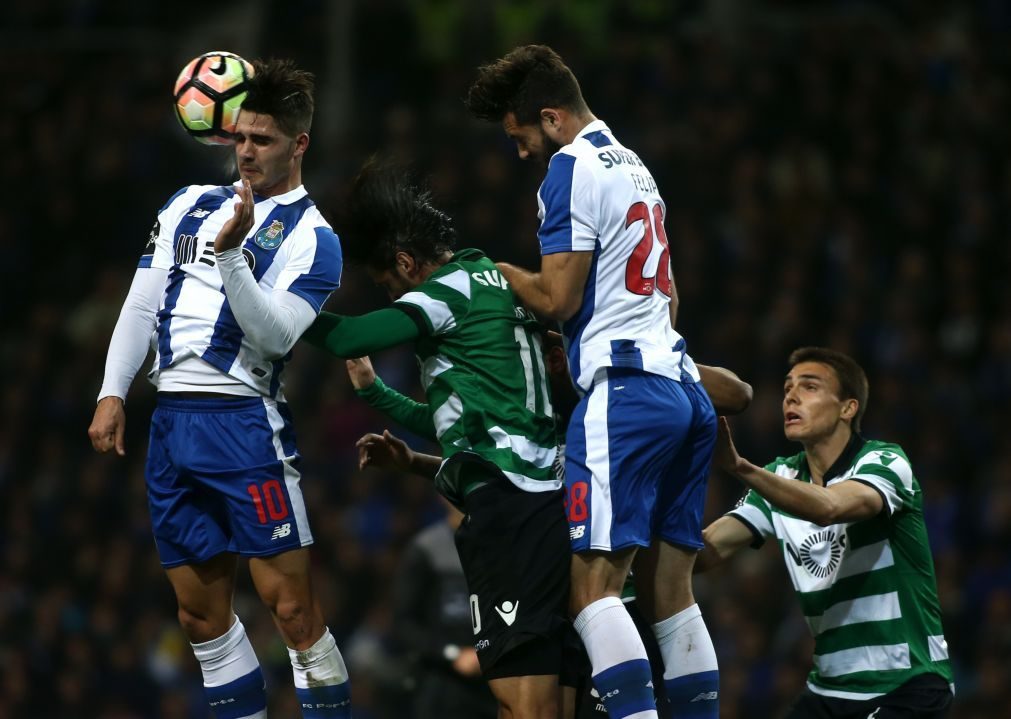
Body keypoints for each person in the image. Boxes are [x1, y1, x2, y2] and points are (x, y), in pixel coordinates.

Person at [87, 59, 352, 718]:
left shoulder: (315, 239)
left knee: (291, 610)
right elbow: (142, 302)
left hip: (244, 426)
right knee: (200, 616)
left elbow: (274, 337)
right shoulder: (186, 204)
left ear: (299, 144)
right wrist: (112, 389)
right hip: (172, 426)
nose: (247, 151)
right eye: (241, 137)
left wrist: (233, 255)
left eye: (262, 141)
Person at [466, 44, 720, 718]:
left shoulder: (571, 168)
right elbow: (668, 298)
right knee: (671, 589)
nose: (522, 155)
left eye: (521, 138)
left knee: (593, 591)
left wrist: (495, 272)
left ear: (550, 119)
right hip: (682, 389)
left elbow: (556, 299)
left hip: (626, 395)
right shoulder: (634, 165)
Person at [349, 331, 753, 719]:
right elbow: (493, 470)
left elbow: (737, 393)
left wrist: (646, 356)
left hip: (619, 605)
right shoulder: (537, 422)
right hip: (557, 606)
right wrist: (409, 453)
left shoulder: (617, 404)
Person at [301, 160, 570, 719]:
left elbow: (350, 334)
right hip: (543, 497)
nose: (390, 297)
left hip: (509, 506)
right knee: (547, 690)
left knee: (520, 699)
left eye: (385, 285)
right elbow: (464, 416)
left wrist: (273, 308)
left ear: (404, 263)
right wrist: (378, 396)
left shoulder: (445, 293)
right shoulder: (492, 280)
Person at [700, 347, 954, 718]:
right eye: (788, 387)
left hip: (907, 685)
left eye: (810, 386)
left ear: (847, 408)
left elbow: (828, 507)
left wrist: (740, 467)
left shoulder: (884, 461)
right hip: (828, 691)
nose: (791, 395)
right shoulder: (782, 476)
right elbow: (708, 550)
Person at [392, 498, 498, 719]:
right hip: (440, 680)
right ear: (442, 493)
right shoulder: (426, 548)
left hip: (494, 678)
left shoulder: (503, 547)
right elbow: (404, 623)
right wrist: (452, 654)